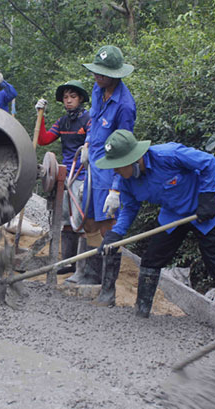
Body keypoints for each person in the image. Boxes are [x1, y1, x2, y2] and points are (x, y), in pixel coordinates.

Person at [94, 129, 215, 329]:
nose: (115, 172)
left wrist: (206, 195)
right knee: (151, 260)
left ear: (133, 159)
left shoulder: (169, 155)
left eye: (117, 166)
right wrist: (115, 234)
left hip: (203, 211)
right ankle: (141, 314)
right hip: (173, 216)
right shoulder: (127, 181)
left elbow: (208, 162)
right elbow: (129, 208)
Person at [77, 45, 136, 285]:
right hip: (93, 162)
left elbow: (125, 147)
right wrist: (88, 144)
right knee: (88, 219)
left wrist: (116, 187)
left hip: (110, 169)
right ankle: (90, 274)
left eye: (103, 73)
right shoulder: (97, 88)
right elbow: (93, 119)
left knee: (107, 224)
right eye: (95, 72)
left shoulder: (125, 106)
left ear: (116, 74)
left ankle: (108, 284)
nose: (97, 76)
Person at [34, 80, 90, 275]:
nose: (68, 101)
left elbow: (95, 140)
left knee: (80, 222)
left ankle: (82, 268)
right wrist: (40, 117)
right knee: (66, 220)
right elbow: (43, 140)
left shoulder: (88, 120)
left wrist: (87, 149)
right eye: (65, 98)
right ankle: (68, 263)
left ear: (80, 99)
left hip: (84, 175)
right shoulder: (63, 122)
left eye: (72, 97)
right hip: (65, 176)